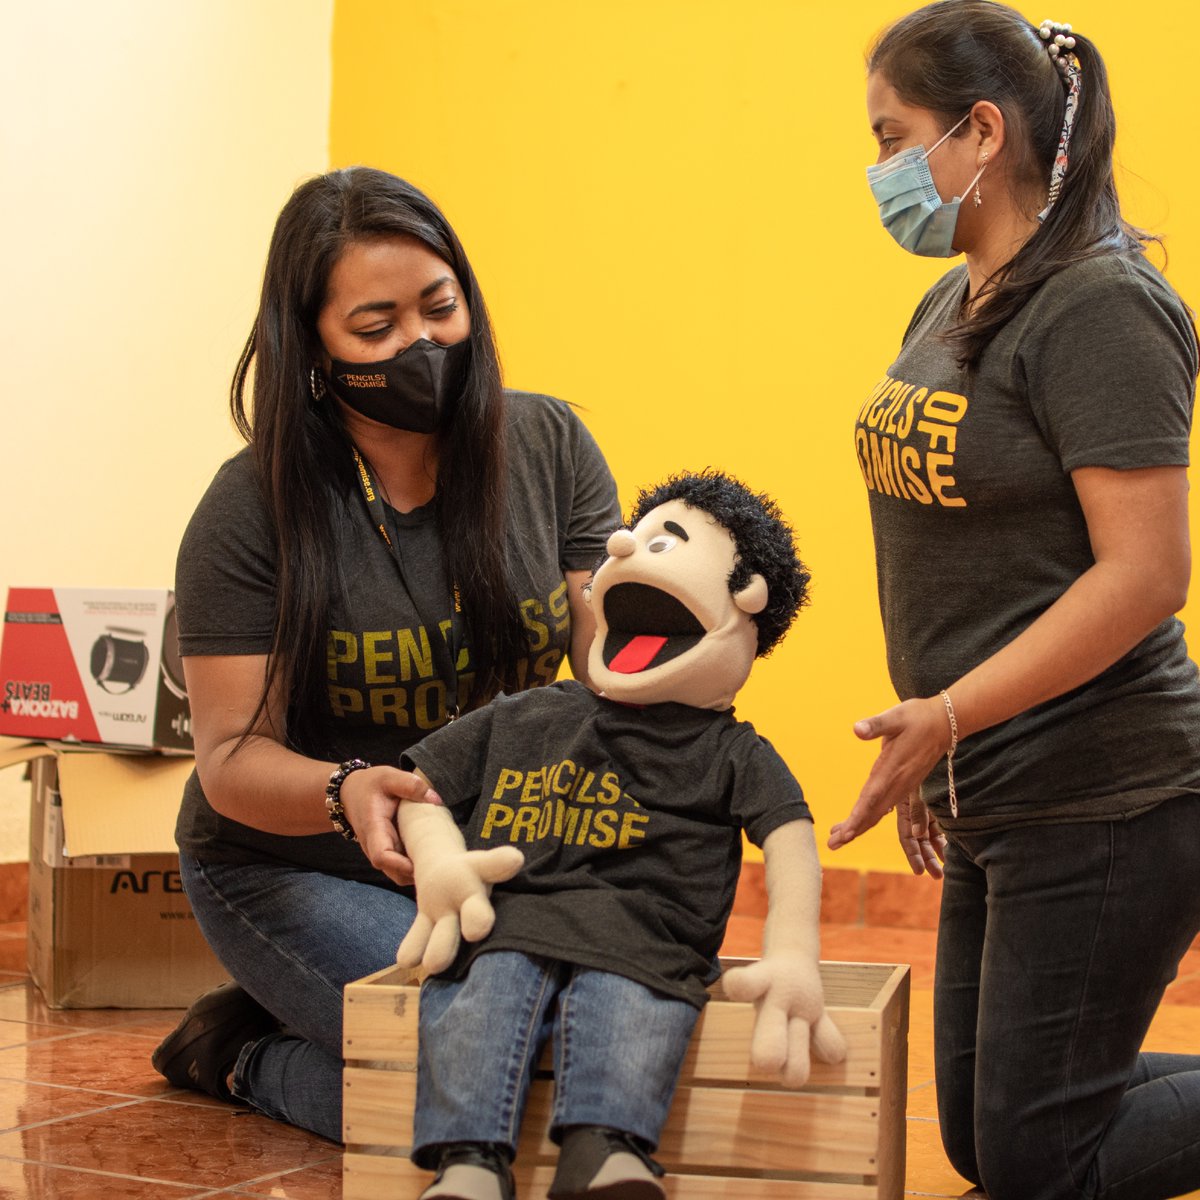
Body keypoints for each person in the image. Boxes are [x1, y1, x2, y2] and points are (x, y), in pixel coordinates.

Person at [150, 166, 621, 1144]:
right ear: (314, 348)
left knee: (590, 1035)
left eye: (440, 306)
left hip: (476, 857)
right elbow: (232, 759)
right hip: (287, 862)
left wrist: (681, 656)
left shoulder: (550, 444)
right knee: (467, 1067)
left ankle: (314, 1013)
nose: (424, 343)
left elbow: (603, 655)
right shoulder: (250, 510)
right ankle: (240, 1052)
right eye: (377, 328)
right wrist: (347, 789)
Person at [827, 4, 1200, 1199]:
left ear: (981, 132)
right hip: (993, 775)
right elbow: (960, 554)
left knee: (1041, 1158)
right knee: (985, 1143)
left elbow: (1144, 576)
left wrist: (950, 714)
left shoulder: (1100, 305)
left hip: (1108, 790)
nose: (880, 169)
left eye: (894, 137)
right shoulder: (958, 298)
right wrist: (941, 740)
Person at [392, 471, 844, 1200]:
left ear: (745, 603)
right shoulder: (532, 714)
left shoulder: (731, 752)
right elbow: (418, 785)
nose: (631, 546)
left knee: (628, 1006)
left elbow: (788, 832)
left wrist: (793, 953)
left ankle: (606, 1154)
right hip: (504, 928)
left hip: (645, 945)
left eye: (672, 541)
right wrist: (440, 858)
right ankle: (468, 1165)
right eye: (639, 536)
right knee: (482, 999)